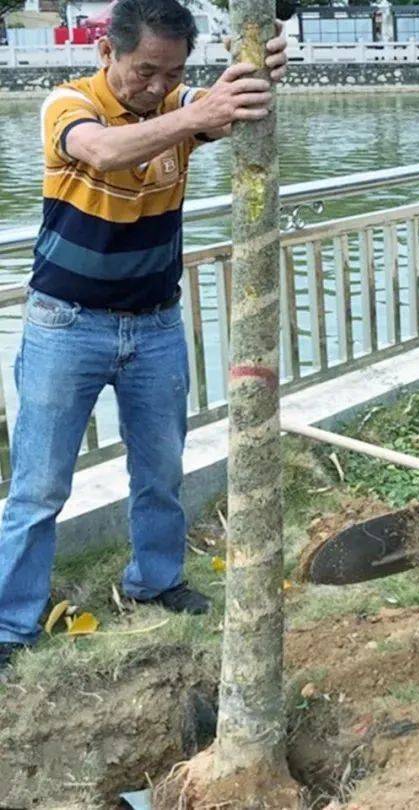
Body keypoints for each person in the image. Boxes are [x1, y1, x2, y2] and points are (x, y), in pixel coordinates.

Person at [0, 0, 288, 676]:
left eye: (173, 73)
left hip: (156, 324)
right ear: (108, 52)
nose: (158, 86)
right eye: (144, 72)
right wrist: (192, 115)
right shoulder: (70, 104)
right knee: (39, 486)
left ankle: (157, 580)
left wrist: (261, 64)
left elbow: (224, 100)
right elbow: (101, 153)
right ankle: (12, 622)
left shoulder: (182, 101)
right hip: (65, 324)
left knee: (160, 471)